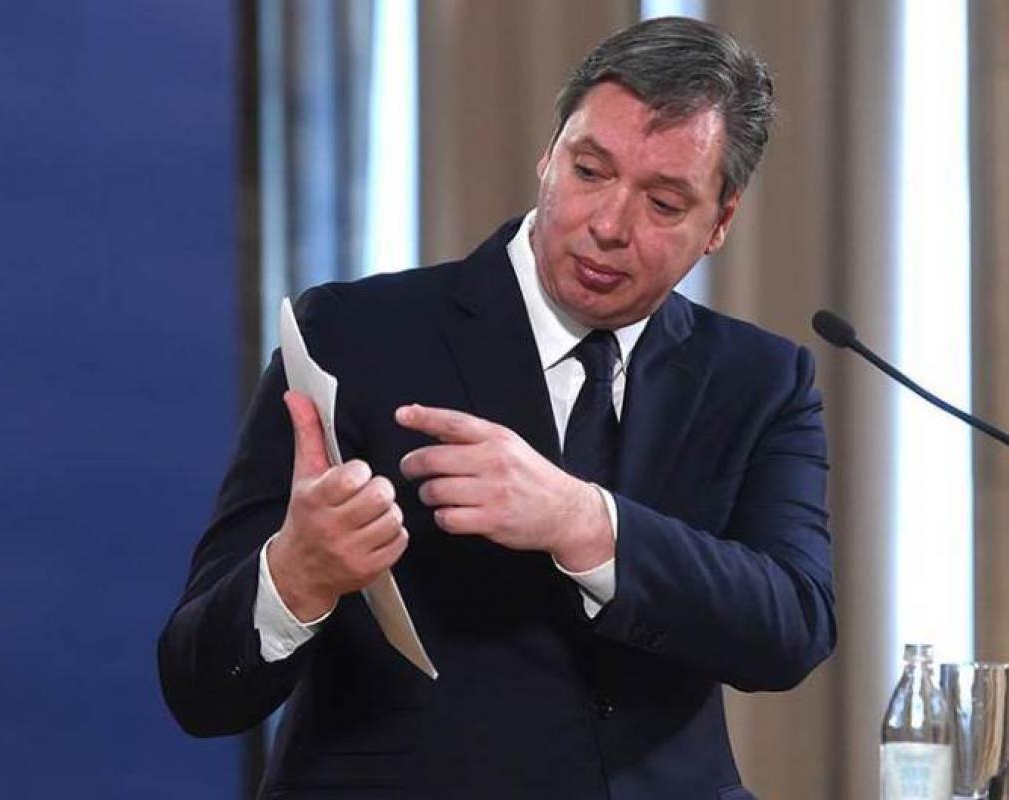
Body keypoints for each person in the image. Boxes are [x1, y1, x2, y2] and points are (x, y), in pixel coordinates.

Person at [158, 16, 834, 800]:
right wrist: (294, 577)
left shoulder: (761, 378)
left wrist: (586, 522)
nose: (608, 225)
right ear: (548, 156)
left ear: (720, 221)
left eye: (663, 201)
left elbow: (793, 625)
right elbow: (197, 687)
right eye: (589, 171)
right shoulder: (352, 335)